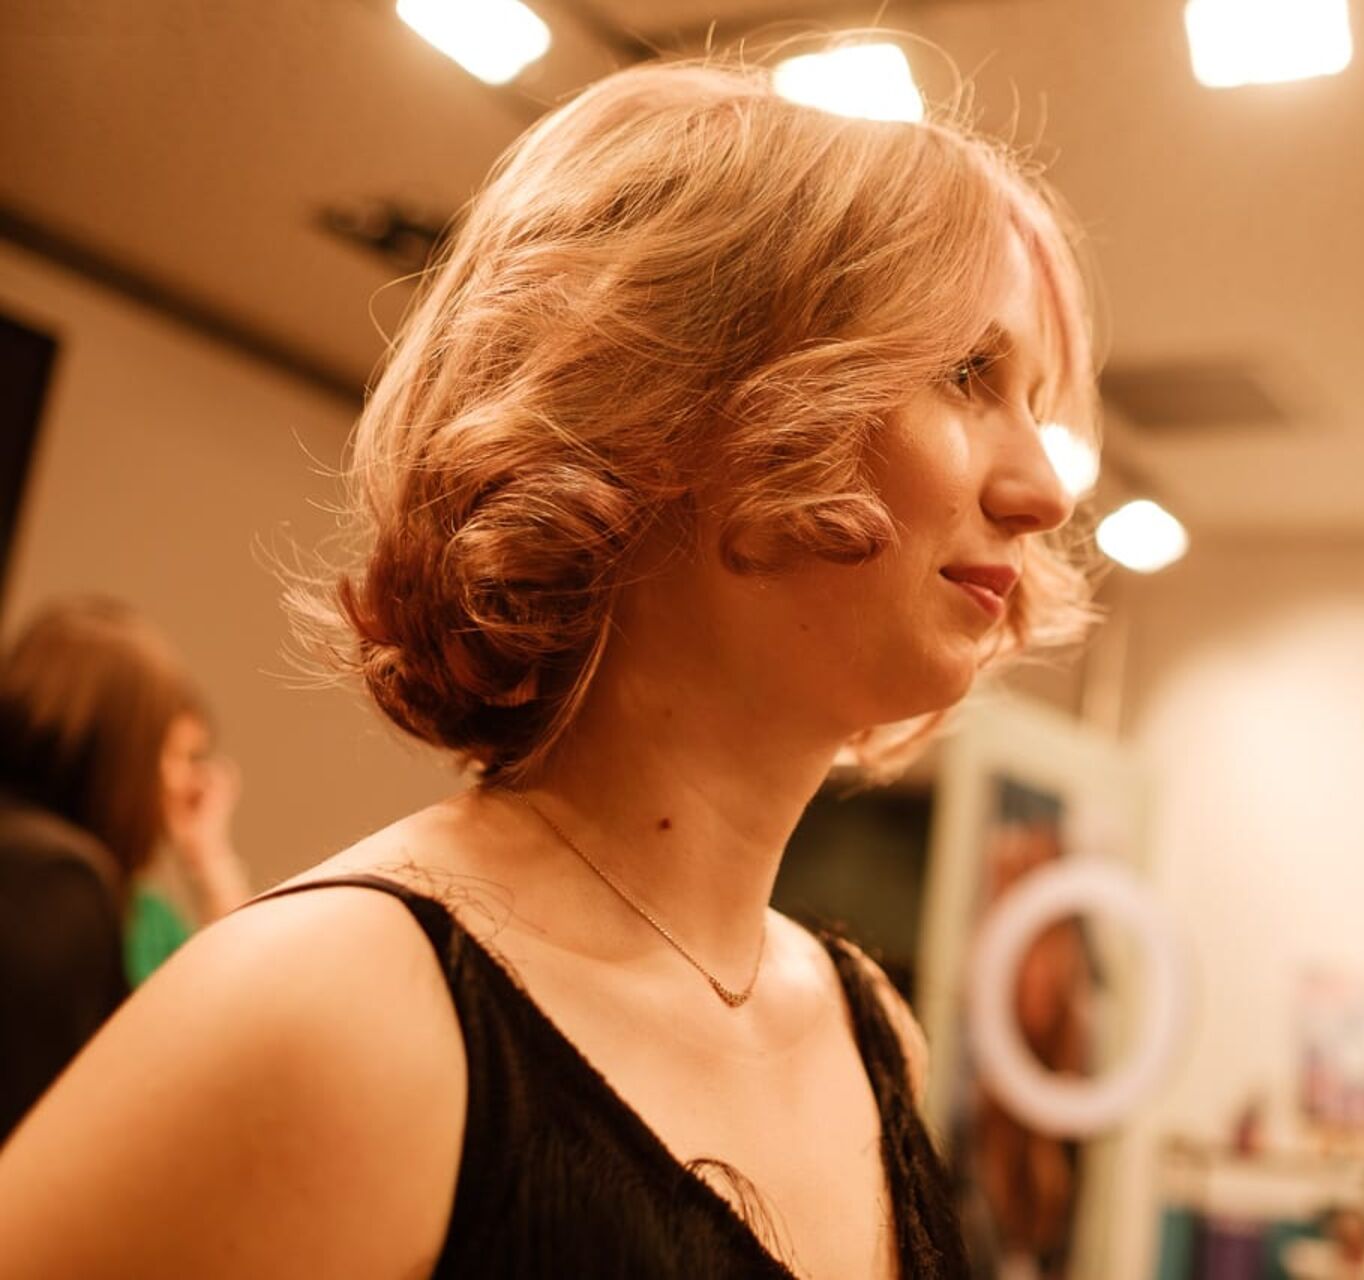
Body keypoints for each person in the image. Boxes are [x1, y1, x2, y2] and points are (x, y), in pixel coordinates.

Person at [0, 53, 1104, 1279]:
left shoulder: (872, 1033)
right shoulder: (333, 1011)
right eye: (966, 374)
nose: (1044, 490)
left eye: (1035, 403)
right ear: (688, 400)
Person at [0, 597, 247, 1141]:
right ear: (122, 749)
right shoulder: (58, 884)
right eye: (175, 757)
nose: (185, 784)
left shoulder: (62, 875)